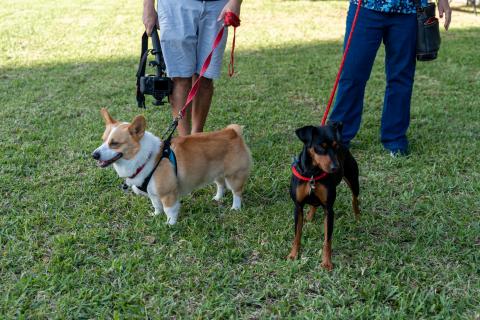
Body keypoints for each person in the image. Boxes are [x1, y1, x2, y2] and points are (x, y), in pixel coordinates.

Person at [329, 0, 452, 156]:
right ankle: (339, 137)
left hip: (408, 10)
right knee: (352, 74)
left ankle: (395, 139)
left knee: (401, 77)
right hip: (366, 7)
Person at [143, 0, 242, 136]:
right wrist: (148, 7)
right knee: (180, 78)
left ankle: (197, 136)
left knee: (205, 77)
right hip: (175, 6)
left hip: (217, 6)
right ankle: (184, 141)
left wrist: (236, 2)